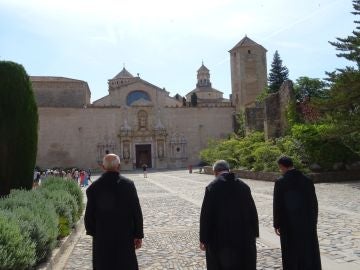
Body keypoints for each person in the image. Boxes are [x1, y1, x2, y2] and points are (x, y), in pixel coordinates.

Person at [85, 154, 144, 270]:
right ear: (119, 166)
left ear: (103, 167)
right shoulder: (128, 185)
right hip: (125, 236)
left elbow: (89, 217)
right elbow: (136, 211)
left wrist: (96, 233)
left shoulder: (93, 188)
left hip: (102, 237)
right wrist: (138, 235)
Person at [200, 160, 259, 270]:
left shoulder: (212, 187)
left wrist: (203, 238)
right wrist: (255, 233)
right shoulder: (244, 186)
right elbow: (252, 211)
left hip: (219, 239)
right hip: (243, 237)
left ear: (215, 172)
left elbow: (206, 216)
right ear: (229, 169)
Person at [273, 156, 322, 270]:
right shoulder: (307, 180)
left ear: (282, 166)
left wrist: (277, 224)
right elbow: (314, 202)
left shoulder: (281, 182)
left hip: (288, 223)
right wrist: (313, 220)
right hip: (307, 222)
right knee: (308, 249)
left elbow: (278, 204)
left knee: (291, 251)